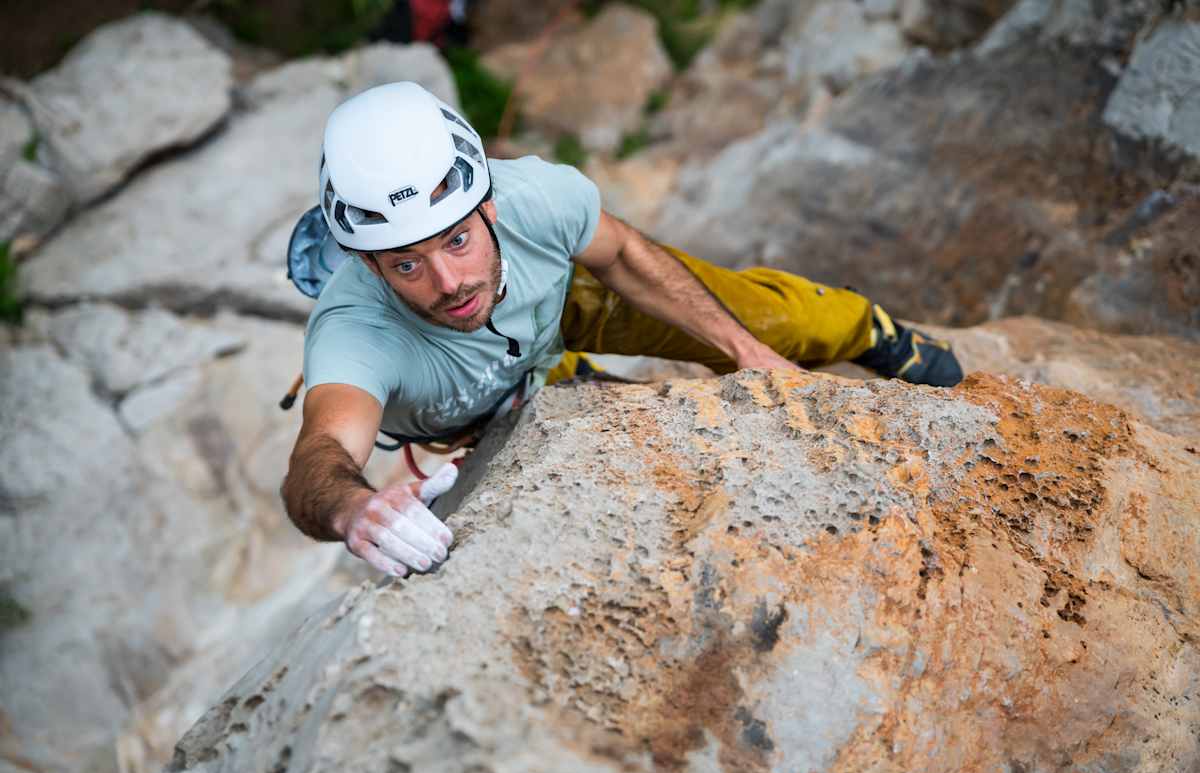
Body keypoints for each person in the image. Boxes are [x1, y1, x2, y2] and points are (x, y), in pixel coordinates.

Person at [280, 82, 962, 578]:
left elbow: (627, 256)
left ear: (487, 204)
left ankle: (872, 331)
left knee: (783, 323)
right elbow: (321, 455)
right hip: (503, 393)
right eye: (407, 263)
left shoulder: (536, 199)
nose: (447, 281)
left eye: (457, 240)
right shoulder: (354, 333)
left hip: (556, 296)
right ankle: (559, 383)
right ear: (368, 263)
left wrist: (749, 353)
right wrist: (353, 511)